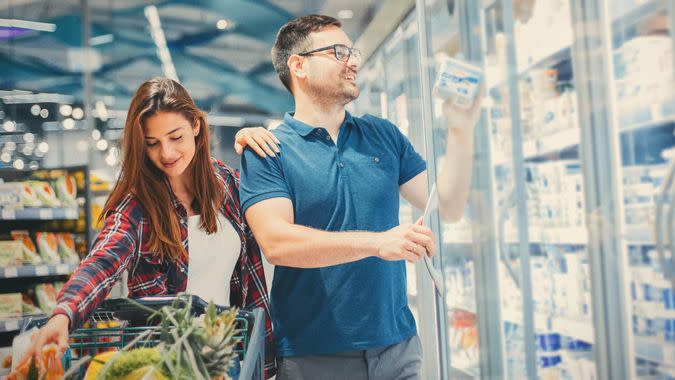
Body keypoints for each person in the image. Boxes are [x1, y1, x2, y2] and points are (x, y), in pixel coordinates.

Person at [239, 14, 483, 379]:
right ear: (298, 65)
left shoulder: (384, 135)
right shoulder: (267, 149)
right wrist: (378, 243)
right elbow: (277, 242)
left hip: (398, 348)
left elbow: (447, 205)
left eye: (352, 51)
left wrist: (461, 131)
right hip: (314, 355)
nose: (353, 61)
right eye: (339, 51)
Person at [26, 77, 280, 378]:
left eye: (176, 137)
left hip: (226, 359)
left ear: (196, 127)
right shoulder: (138, 205)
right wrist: (63, 314)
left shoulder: (227, 184)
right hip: (163, 364)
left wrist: (257, 143)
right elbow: (102, 261)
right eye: (152, 144)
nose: (167, 154)